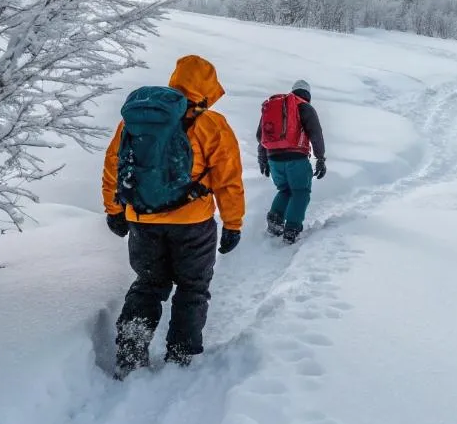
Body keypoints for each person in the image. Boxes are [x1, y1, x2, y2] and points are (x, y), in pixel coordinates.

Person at [101, 54, 246, 378]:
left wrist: (114, 210)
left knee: (148, 285)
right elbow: (228, 180)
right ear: (208, 87)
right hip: (193, 224)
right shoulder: (212, 124)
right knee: (192, 288)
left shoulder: (137, 120)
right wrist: (233, 223)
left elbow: (114, 165)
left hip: (142, 220)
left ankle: (131, 353)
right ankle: (181, 354)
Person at [257, 79, 326, 243]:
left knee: (285, 190)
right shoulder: (305, 107)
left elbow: (261, 136)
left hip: (273, 159)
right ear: (308, 95)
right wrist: (320, 158)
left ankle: (275, 221)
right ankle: (291, 229)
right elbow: (316, 134)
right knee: (300, 192)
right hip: (296, 158)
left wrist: (263, 159)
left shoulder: (276, 106)